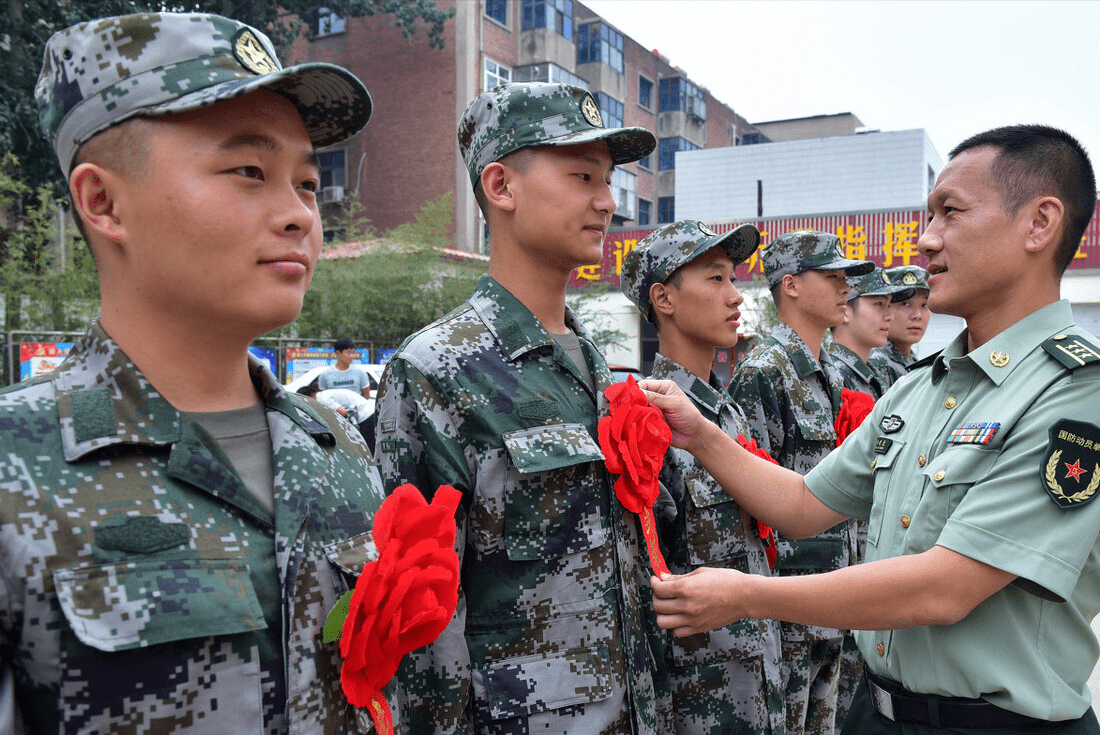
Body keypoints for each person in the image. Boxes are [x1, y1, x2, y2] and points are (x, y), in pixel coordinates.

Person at [645, 124, 1100, 734]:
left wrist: (746, 595)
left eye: (951, 213)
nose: (926, 238)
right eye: (927, 215)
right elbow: (805, 503)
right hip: (879, 713)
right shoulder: (922, 387)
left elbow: (944, 587)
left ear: (1040, 224)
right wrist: (699, 432)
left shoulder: (1073, 392)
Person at [1, 13, 385, 734]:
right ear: (103, 201)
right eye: (249, 171)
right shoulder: (15, 462)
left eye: (307, 182)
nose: (302, 215)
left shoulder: (339, 451)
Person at [373, 82, 660, 734]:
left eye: (609, 178)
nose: (607, 201)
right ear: (501, 186)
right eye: (582, 175)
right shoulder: (435, 370)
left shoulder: (592, 362)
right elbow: (420, 626)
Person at [618, 219, 785, 735]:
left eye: (733, 279)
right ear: (663, 298)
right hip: (696, 701)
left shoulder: (723, 411)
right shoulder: (648, 418)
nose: (736, 297)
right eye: (715, 279)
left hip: (760, 678)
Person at [727, 230, 872, 735]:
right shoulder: (764, 372)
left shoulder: (830, 373)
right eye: (831, 278)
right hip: (788, 606)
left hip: (834, 595)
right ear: (790, 284)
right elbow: (749, 492)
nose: (844, 290)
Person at [825, 267, 914, 729]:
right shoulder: (831, 373)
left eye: (891, 305)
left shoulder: (893, 378)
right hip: (824, 567)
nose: (896, 315)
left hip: (861, 562)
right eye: (879, 305)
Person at [829, 268, 916, 400]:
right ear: (845, 311)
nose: (890, 317)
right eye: (879, 304)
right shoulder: (834, 376)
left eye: (889, 305)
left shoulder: (873, 375)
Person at [867, 266, 931, 387]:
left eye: (924, 305)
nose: (917, 315)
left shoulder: (911, 360)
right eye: (905, 304)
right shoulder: (877, 363)